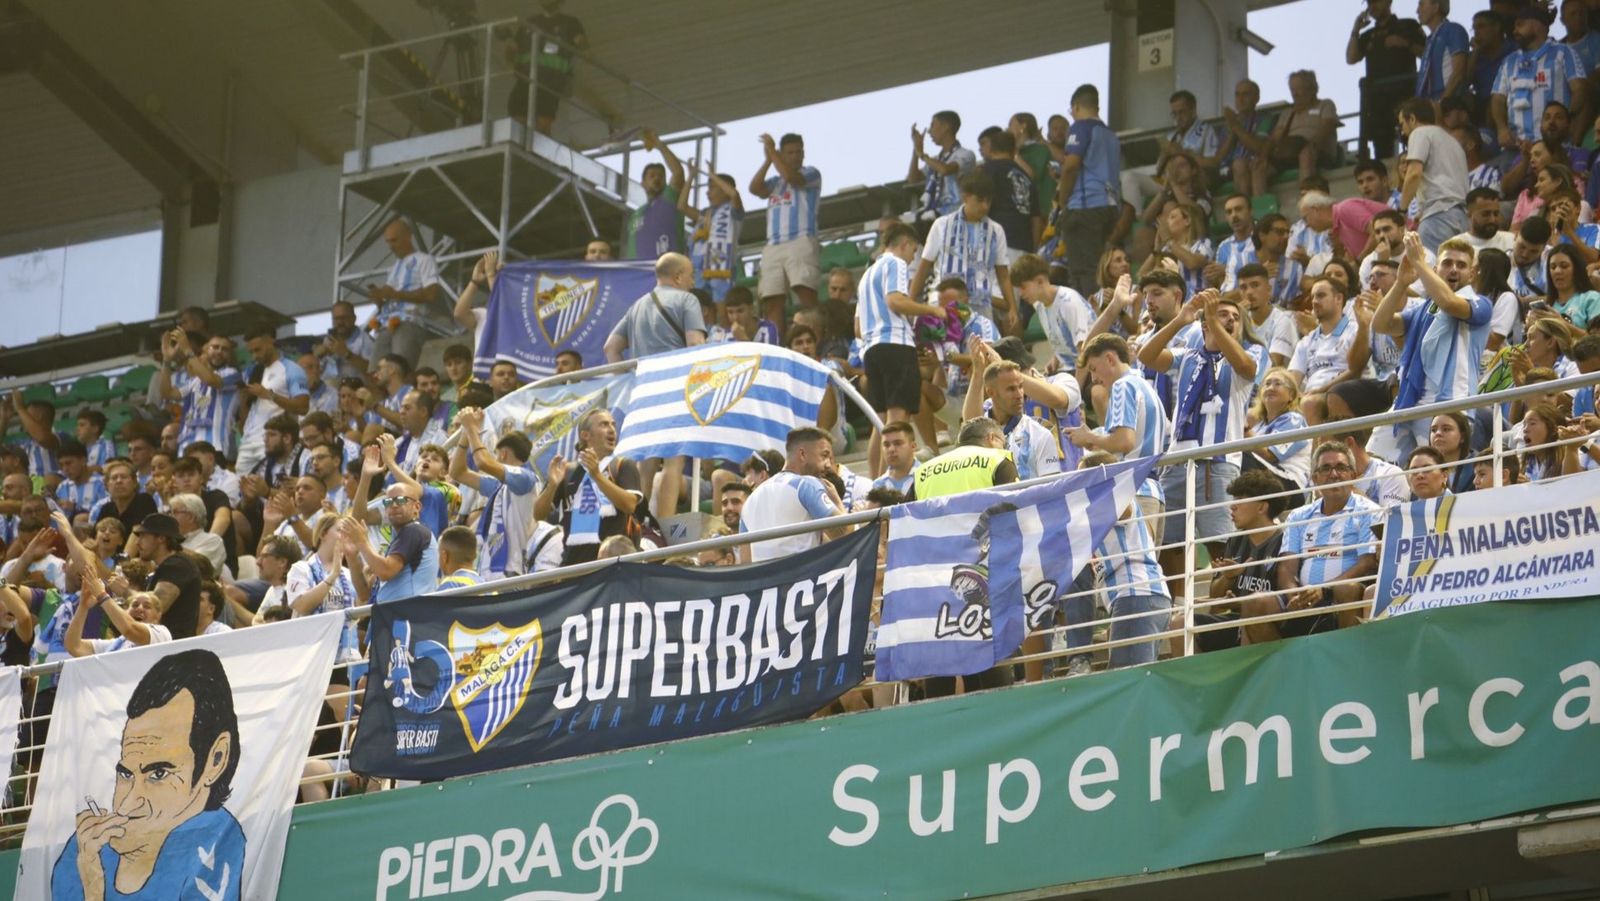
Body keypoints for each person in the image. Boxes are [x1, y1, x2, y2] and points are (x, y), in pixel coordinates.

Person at [52, 648, 244, 898]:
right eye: (126, 775)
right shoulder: (85, 852)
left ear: (215, 759)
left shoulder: (215, 838)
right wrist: (91, 882)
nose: (129, 803)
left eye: (159, 774)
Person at [1138, 290, 1263, 571]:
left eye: (1235, 318)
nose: (1231, 320)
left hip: (1217, 464)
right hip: (1177, 461)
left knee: (1221, 545)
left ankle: (1224, 608)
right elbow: (1146, 356)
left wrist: (1213, 320)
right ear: (1205, 325)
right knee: (1169, 546)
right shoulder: (1187, 356)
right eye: (1223, 315)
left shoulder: (1248, 357)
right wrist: (1181, 320)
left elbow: (1247, 367)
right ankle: (1179, 607)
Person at [1370, 236, 1494, 461]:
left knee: (1435, 470)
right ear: (1437, 269)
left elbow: (1448, 302)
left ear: (1472, 274)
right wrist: (1401, 284)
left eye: (1461, 265)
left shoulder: (1481, 303)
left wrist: (1419, 264)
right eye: (1447, 263)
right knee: (1374, 460)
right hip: (1409, 399)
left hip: (1450, 402)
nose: (1453, 269)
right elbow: (1380, 324)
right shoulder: (1423, 309)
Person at [1271, 442, 1384, 641]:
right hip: (1303, 598)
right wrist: (1293, 595)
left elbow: (1366, 562)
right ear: (1315, 478)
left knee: (1346, 588)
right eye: (1325, 469)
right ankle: (1278, 668)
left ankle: (1345, 661)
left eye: (1341, 467)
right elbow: (1286, 568)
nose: (1333, 474)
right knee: (1256, 602)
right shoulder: (1298, 516)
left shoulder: (1369, 511)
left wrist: (1324, 589)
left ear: (1353, 474)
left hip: (1340, 595)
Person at [1186, 469, 1291, 652]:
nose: (1232, 507)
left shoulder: (1286, 541)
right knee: (1181, 623)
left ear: (1262, 507)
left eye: (1240, 500)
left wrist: (1240, 603)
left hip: (1269, 624)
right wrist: (1228, 577)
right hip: (1234, 620)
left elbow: (1286, 601)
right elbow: (1215, 596)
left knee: (1249, 620)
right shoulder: (1235, 541)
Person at [856, 222, 928, 464]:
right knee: (897, 418)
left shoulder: (867, 276)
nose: (911, 258)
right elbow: (895, 301)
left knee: (880, 422)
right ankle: (893, 481)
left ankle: (877, 483)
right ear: (905, 244)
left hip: (870, 349)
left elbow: (857, 327)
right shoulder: (895, 263)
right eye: (913, 251)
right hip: (895, 344)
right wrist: (933, 311)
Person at [533, 409, 642, 566]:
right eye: (604, 425)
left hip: (613, 563)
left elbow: (629, 505)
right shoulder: (567, 471)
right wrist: (552, 486)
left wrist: (597, 475)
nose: (612, 429)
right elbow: (538, 515)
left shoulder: (622, 465)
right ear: (586, 435)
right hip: (573, 566)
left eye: (613, 424)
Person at [912, 171, 1017, 333]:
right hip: (943, 302)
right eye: (980, 200)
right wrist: (910, 303)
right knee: (947, 353)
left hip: (981, 305)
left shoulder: (996, 231)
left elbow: (1003, 275)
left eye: (989, 201)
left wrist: (1012, 308)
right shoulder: (941, 225)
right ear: (965, 197)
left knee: (980, 354)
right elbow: (924, 267)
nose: (985, 207)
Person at [451, 410, 538, 581]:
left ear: (503, 453)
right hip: (487, 570)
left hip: (510, 572)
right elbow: (457, 473)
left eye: (497, 454)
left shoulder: (526, 478)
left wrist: (471, 430)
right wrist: (464, 435)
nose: (495, 458)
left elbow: (483, 461)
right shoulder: (499, 486)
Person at [737, 427, 847, 563]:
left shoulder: (749, 501)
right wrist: (837, 502)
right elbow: (845, 535)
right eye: (824, 456)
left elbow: (745, 563)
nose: (829, 465)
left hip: (766, 583)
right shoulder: (806, 485)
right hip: (803, 580)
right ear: (802, 454)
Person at [749, 132, 822, 332]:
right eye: (790, 152)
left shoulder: (811, 173)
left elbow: (792, 177)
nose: (796, 156)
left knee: (804, 291)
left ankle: (818, 336)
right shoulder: (776, 181)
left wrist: (773, 152)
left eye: (799, 152)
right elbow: (754, 188)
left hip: (801, 238)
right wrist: (768, 160)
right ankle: (777, 346)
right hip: (773, 244)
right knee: (772, 300)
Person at [1057, 84, 1122, 298]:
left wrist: (1063, 200)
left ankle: (1092, 326)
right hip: (1110, 208)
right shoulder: (1111, 134)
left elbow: (1071, 166)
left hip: (1084, 207)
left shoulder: (1080, 127)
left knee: (1084, 272)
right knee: (1101, 270)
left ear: (1075, 106)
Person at [1493, 5, 1589, 148]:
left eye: (1520, 25)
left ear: (1536, 24)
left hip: (1555, 146)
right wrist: (1501, 128)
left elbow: (1580, 89)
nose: (1514, 31)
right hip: (1516, 147)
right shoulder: (1509, 61)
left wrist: (1566, 120)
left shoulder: (1563, 53)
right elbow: (1497, 98)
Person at [1349, 0, 1426, 160]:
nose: (1373, 6)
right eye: (1369, 3)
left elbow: (1427, 53)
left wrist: (1405, 43)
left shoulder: (1408, 25)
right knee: (1382, 151)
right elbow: (1351, 57)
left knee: (1413, 142)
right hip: (1378, 103)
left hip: (1405, 95)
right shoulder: (1368, 35)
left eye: (1376, 1)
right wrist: (1356, 29)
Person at [367, 220, 449, 368]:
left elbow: (431, 294)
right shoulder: (393, 268)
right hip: (387, 324)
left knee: (400, 369)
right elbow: (389, 297)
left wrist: (397, 295)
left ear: (408, 236)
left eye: (395, 240)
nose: (391, 246)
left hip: (410, 322)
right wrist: (378, 297)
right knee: (375, 372)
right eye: (388, 242)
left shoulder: (425, 260)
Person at [341, 479, 439, 603]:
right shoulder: (396, 543)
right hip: (388, 616)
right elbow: (365, 594)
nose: (393, 505)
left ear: (417, 507)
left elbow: (385, 572)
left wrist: (362, 542)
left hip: (407, 617)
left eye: (401, 500)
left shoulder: (414, 530)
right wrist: (352, 557)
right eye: (388, 502)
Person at [1398, 98, 1471, 252]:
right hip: (1461, 216)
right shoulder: (1452, 140)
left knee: (1433, 272)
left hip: (1438, 217)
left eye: (1402, 124)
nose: (1402, 131)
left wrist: (1402, 211)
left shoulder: (1419, 133)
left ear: (1411, 119)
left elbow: (1413, 174)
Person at [604, 252, 707, 362]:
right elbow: (695, 344)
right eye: (691, 276)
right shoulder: (688, 300)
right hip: (676, 377)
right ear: (678, 277)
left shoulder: (635, 307)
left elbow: (610, 348)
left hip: (642, 378)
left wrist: (628, 378)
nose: (693, 283)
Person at [236, 328, 309, 476]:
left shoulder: (291, 369)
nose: (255, 355)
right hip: (248, 442)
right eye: (251, 352)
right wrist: (244, 400)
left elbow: (303, 407)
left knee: (269, 488)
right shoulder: (252, 371)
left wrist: (269, 395)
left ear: (270, 340)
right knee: (242, 492)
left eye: (258, 349)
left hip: (273, 442)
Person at [1010, 252, 1093, 372]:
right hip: (1069, 370)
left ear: (1040, 281)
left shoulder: (1069, 302)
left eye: (1023, 287)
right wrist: (1056, 358)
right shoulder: (1038, 304)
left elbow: (1085, 353)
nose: (1020, 294)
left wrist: (1076, 386)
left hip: (1089, 370)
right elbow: (1064, 339)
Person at [1246, 368, 1312, 492]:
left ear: (1291, 395)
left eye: (1278, 384)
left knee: (1241, 456)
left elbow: (1270, 456)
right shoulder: (1259, 425)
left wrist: (1244, 429)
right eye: (1267, 384)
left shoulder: (1294, 420)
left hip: (1290, 484)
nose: (1271, 388)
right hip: (1267, 477)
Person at [623, 129, 686, 260]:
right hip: (640, 275)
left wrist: (659, 144)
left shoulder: (670, 199)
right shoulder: (636, 214)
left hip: (669, 271)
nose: (657, 179)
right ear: (643, 183)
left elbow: (678, 173)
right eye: (652, 176)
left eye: (661, 176)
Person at [682, 171, 744, 303]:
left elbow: (733, 194)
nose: (707, 192)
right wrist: (691, 177)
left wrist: (712, 176)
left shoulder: (734, 210)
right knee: (700, 308)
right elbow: (682, 206)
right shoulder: (706, 214)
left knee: (720, 306)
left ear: (724, 189)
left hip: (720, 265)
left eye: (712, 188)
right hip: (699, 268)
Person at [1417, 0, 1473, 102]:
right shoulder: (1429, 40)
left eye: (1421, 4)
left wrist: (1443, 102)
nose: (1417, 10)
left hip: (1449, 103)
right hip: (1431, 103)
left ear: (1435, 7)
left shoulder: (1453, 30)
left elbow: (1459, 71)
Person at [91, 461, 158, 536]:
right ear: (106, 486)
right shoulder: (106, 509)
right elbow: (95, 537)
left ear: (135, 483)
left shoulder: (144, 501)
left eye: (124, 477)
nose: (119, 481)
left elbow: (140, 535)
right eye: (114, 478)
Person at [1452, 187, 1517, 253]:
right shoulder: (1456, 246)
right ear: (1469, 214)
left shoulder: (1511, 240)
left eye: (1496, 214)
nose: (1492, 220)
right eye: (1485, 214)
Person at [54, 440, 105, 519]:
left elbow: (104, 514)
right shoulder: (62, 487)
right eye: (61, 465)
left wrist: (76, 508)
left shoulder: (102, 484)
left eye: (68, 463)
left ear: (83, 461)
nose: (65, 469)